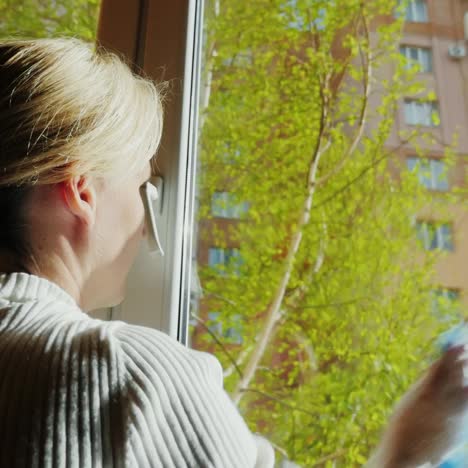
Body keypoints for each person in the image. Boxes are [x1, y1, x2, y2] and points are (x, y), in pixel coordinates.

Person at [0, 37, 467, 468]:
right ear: (82, 190)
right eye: (142, 187)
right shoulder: (124, 376)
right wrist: (411, 441)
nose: (145, 227)